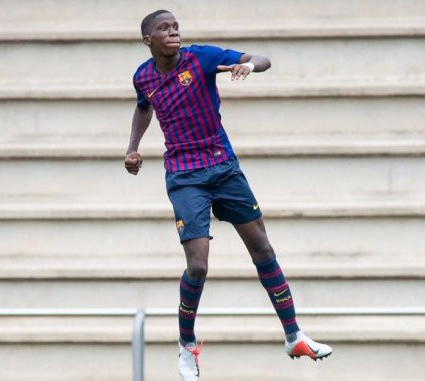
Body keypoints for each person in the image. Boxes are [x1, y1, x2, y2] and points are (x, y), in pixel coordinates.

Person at [125, 10, 332, 380]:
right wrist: (132, 148)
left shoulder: (200, 58)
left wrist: (249, 66)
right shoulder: (143, 76)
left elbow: (261, 59)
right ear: (148, 41)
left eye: (175, 27)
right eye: (164, 29)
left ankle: (293, 334)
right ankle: (187, 345)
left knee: (263, 249)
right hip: (185, 176)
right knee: (198, 265)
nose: (173, 33)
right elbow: (144, 108)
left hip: (224, 168)